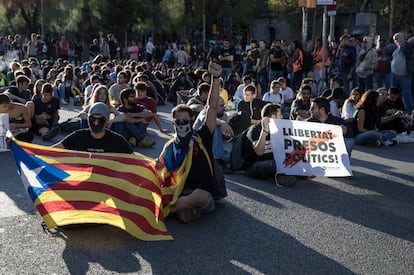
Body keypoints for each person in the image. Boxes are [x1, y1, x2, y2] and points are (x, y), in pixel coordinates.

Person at [155, 62, 222, 223]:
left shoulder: (202, 136)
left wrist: (216, 78)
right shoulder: (171, 146)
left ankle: (166, 210)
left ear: (191, 120)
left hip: (204, 193)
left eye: (185, 121)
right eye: (178, 122)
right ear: (173, 124)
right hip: (179, 191)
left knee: (198, 196)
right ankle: (183, 210)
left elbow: (211, 107)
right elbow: (161, 169)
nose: (182, 125)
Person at [240, 103, 297, 186]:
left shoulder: (278, 130)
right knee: (276, 164)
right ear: (272, 117)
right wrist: (265, 130)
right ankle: (280, 177)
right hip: (254, 165)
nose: (282, 117)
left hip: (271, 161)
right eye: (280, 115)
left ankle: (287, 174)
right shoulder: (255, 130)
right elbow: (259, 152)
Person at [53, 102, 133, 154]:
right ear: (88, 119)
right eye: (93, 119)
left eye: (100, 120)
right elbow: (52, 151)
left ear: (106, 120)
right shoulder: (78, 136)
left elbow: (136, 161)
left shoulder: (117, 140)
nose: (96, 123)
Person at [390, 32, 414, 114]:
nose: (396, 40)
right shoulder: (395, 48)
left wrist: (402, 47)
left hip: (405, 75)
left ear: (404, 38)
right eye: (395, 39)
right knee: (395, 94)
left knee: (407, 95)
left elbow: (409, 55)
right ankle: (398, 110)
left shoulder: (409, 47)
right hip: (394, 75)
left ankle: (410, 113)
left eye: (398, 37)